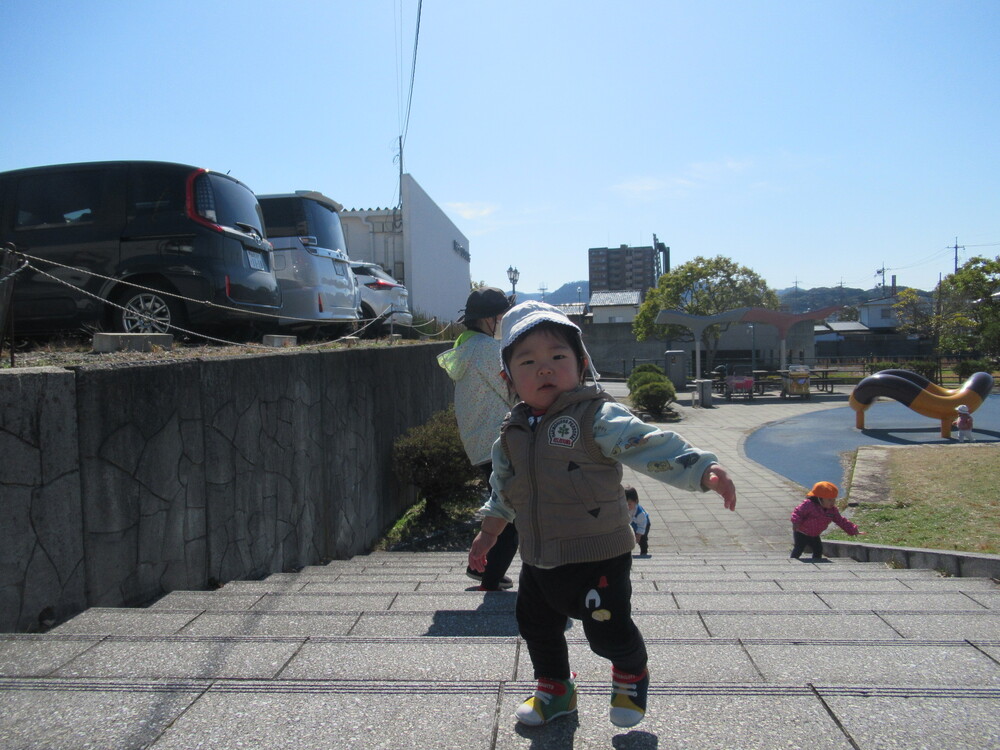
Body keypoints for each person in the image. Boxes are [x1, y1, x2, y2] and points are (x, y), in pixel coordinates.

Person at [468, 301, 737, 729]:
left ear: (581, 363)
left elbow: (649, 443)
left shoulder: (598, 416)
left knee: (607, 632)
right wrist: (488, 534)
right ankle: (555, 689)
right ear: (509, 378)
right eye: (528, 361)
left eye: (558, 357)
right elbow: (504, 491)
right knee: (536, 627)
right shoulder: (511, 432)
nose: (545, 369)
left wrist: (702, 468)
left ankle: (631, 673)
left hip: (599, 555)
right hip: (539, 557)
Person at [437, 287, 518, 591]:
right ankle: (489, 574)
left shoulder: (467, 346)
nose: (505, 320)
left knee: (504, 509)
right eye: (502, 315)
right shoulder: (486, 349)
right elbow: (514, 390)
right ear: (489, 318)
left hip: (481, 443)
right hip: (498, 443)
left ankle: (487, 571)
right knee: (509, 512)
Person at [789, 481, 860, 561]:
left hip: (814, 534)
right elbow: (798, 512)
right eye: (829, 500)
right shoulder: (809, 505)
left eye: (834, 500)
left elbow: (840, 520)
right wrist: (796, 522)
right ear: (819, 499)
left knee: (818, 549)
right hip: (802, 532)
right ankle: (792, 561)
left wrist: (852, 529)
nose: (832, 503)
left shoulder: (832, 511)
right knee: (799, 548)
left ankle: (817, 563)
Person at [624, 486, 650, 556]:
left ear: (635, 501)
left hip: (644, 524)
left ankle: (644, 552)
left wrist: (638, 535)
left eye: (629, 504)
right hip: (632, 522)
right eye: (625, 503)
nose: (627, 506)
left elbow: (642, 525)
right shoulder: (624, 508)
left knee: (642, 539)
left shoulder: (640, 513)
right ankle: (626, 553)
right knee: (627, 537)